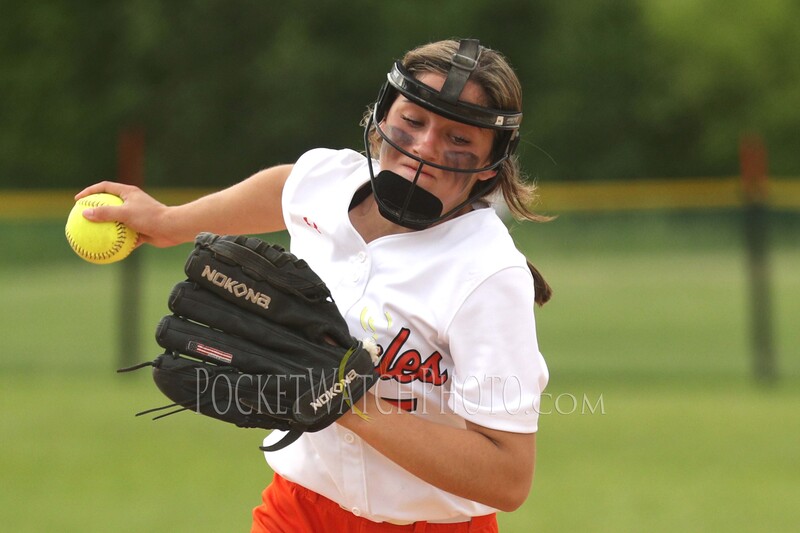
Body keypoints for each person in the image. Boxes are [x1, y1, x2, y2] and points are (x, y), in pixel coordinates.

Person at [77, 38, 551, 532]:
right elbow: (289, 186)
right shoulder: (330, 186)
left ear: (490, 166)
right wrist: (171, 222)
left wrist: (348, 401)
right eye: (413, 121)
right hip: (296, 510)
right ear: (381, 120)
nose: (426, 147)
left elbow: (508, 478)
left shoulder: (488, 275)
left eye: (459, 139)